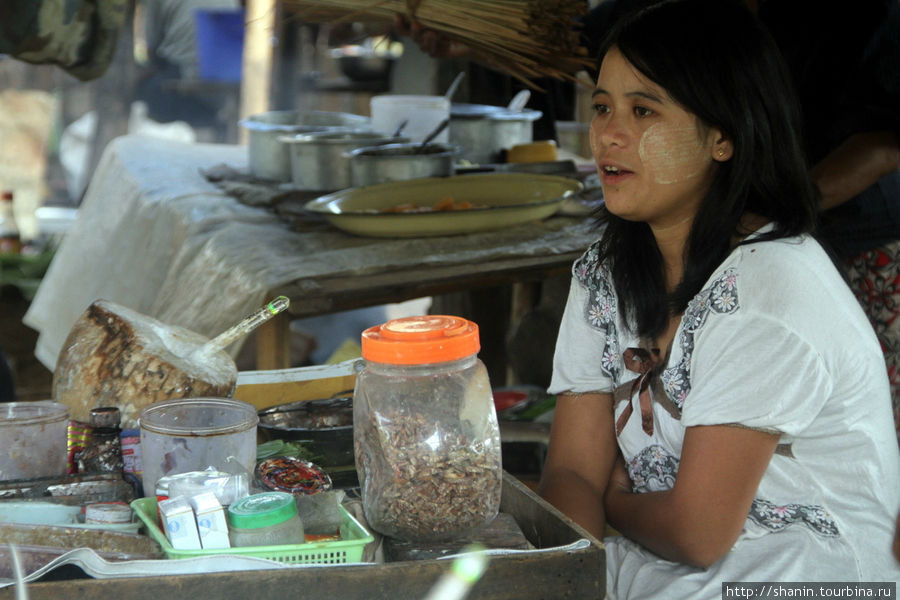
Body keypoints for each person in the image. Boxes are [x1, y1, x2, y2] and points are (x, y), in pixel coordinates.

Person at [538, 0, 900, 595]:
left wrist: (613, 502)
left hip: (808, 568)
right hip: (661, 553)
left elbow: (697, 532)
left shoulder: (765, 286)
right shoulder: (604, 273)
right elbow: (574, 470)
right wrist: (571, 575)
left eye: (644, 110)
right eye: (602, 106)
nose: (610, 133)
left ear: (722, 139)